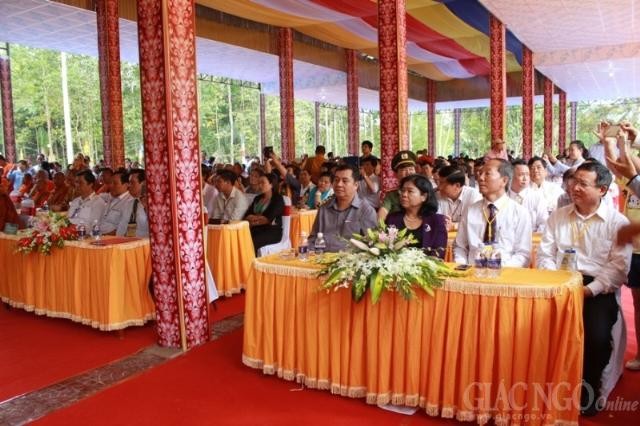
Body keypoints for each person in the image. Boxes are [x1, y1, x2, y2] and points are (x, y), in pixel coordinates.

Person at [537, 161, 631, 416]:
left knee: (597, 337)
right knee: (533, 328)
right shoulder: (559, 216)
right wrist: (555, 281)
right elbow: (545, 254)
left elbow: (617, 268)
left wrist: (589, 291)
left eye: (582, 183)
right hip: (559, 283)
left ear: (601, 190)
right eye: (573, 181)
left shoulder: (617, 222)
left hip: (596, 288)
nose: (574, 187)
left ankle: (588, 391)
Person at [454, 159, 532, 267]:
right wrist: (463, 267)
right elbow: (460, 247)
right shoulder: (470, 210)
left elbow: (523, 254)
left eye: (488, 174)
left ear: (504, 180)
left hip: (506, 275)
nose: (480, 178)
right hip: (473, 275)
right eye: (480, 173)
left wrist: (500, 270)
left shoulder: (519, 213)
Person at [308, 163, 377, 252]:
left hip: (350, 262)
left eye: (345, 181)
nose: (339, 184)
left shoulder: (366, 211)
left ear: (356, 185)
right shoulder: (324, 209)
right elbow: (313, 239)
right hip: (321, 259)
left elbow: (372, 246)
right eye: (336, 180)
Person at [385, 174, 447, 258]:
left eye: (410, 191)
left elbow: (439, 253)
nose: (404, 195)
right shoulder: (392, 219)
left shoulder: (436, 221)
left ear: (424, 197)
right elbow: (384, 249)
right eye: (402, 191)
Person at [243, 171, 285, 254]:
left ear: (271, 184)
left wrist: (253, 220)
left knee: (252, 241)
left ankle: (252, 264)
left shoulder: (277, 199)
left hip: (272, 231)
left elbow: (268, 219)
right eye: (259, 183)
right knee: (241, 238)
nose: (260, 185)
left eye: (262, 183)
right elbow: (247, 215)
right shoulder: (257, 198)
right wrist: (257, 218)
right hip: (256, 229)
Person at [436, 165, 481, 231]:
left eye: (442, 183)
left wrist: (454, 226)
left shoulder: (473, 195)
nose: (439, 187)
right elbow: (436, 221)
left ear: (457, 186)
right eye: (439, 183)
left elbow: (476, 223)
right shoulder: (437, 196)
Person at [508, 160, 548, 232]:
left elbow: (544, 223)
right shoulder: (503, 197)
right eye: (521, 175)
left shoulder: (537, 197)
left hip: (531, 239)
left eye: (527, 174)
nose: (525, 178)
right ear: (510, 176)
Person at [378, 150, 417, 221]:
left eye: (411, 169)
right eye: (404, 170)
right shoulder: (391, 195)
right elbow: (383, 212)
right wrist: (380, 227)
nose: (408, 173)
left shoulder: (422, 191)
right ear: (396, 174)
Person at [99, 170, 136, 236]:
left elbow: (124, 230)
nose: (111, 186)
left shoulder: (129, 203)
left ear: (126, 185)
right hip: (97, 234)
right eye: (110, 183)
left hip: (112, 240)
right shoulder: (110, 197)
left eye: (115, 183)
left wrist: (103, 236)